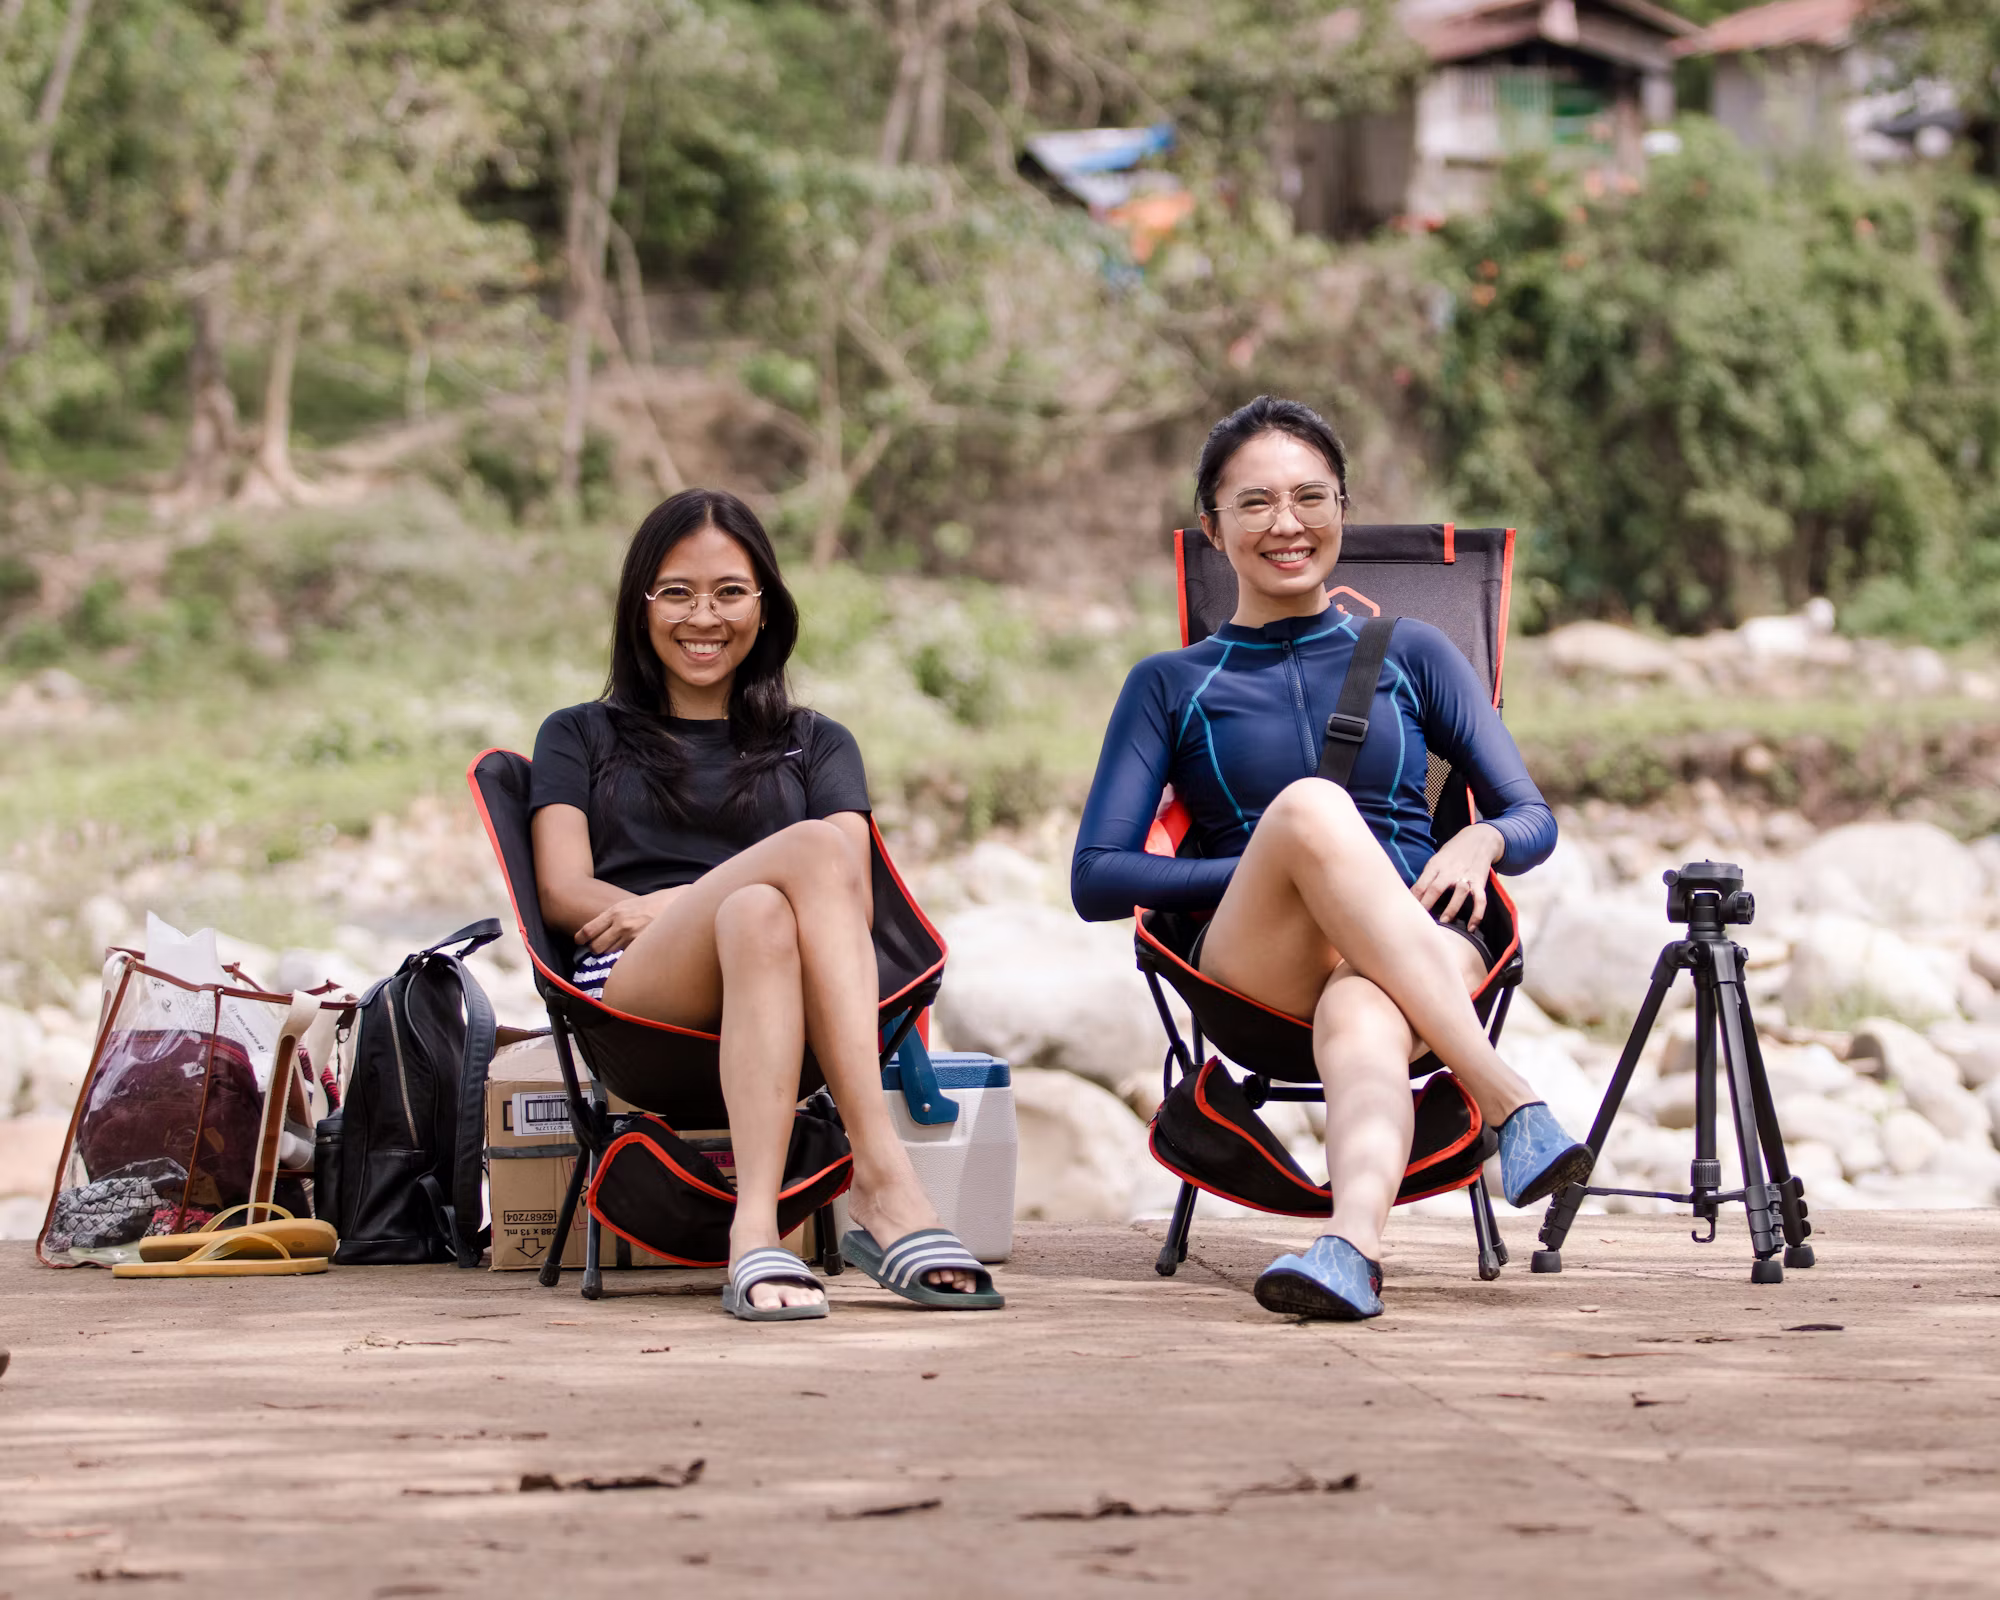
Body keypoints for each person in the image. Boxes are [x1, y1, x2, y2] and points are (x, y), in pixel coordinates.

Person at [1070, 396, 1590, 1322]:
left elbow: (1530, 817)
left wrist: (1478, 838)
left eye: (1311, 498)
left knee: (1362, 1004)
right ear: (1212, 527)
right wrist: (1277, 864)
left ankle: (1351, 1246)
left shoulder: (1415, 653)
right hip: (1261, 978)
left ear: (1342, 511)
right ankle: (1510, 1102)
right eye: (1256, 503)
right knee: (1310, 809)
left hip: (1420, 949)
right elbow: (1097, 876)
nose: (1287, 524)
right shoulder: (1169, 683)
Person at [530, 488, 1001, 1321]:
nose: (702, 616)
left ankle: (755, 1234)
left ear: (764, 606)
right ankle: (885, 1177)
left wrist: (694, 899)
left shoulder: (816, 742)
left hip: (796, 991)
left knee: (758, 915)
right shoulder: (579, 735)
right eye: (676, 591)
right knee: (807, 852)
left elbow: (851, 893)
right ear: (639, 605)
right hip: (638, 996)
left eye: (729, 592)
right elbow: (567, 893)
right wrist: (677, 911)